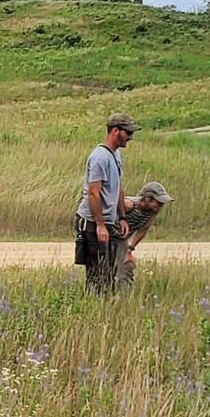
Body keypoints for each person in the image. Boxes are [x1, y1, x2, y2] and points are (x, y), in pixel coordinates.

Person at [74, 111, 139, 294]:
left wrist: (122, 217)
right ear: (116, 131)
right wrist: (100, 225)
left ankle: (105, 306)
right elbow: (93, 193)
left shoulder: (116, 156)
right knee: (98, 271)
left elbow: (118, 188)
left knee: (109, 270)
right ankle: (94, 307)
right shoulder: (99, 157)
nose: (131, 137)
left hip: (109, 221)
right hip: (92, 222)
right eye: (128, 133)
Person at [118, 181, 173, 287]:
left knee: (127, 265)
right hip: (109, 236)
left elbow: (144, 229)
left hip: (122, 240)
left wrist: (130, 249)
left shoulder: (153, 210)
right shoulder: (128, 205)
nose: (162, 205)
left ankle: (124, 295)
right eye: (159, 202)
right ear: (148, 199)